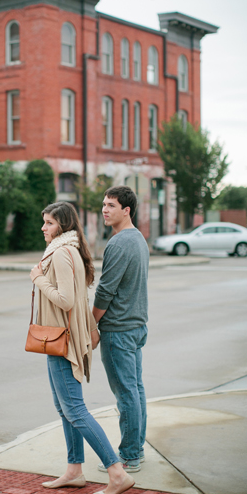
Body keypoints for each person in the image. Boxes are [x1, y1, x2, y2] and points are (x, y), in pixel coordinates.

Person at [29, 201, 135, 494]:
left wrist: (37, 278)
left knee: (74, 409)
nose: (43, 228)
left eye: (48, 223)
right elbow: (78, 296)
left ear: (61, 226)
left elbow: (64, 300)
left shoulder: (61, 253)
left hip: (62, 341)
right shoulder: (68, 250)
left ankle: (116, 472)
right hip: (62, 338)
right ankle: (74, 470)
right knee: (66, 409)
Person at [93, 186, 149, 474]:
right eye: (104, 204)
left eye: (111, 205)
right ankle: (136, 449)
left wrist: (91, 324)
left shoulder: (118, 244)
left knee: (127, 394)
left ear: (126, 210)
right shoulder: (138, 239)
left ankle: (129, 456)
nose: (105, 209)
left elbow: (105, 292)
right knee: (135, 391)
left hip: (119, 331)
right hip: (137, 327)